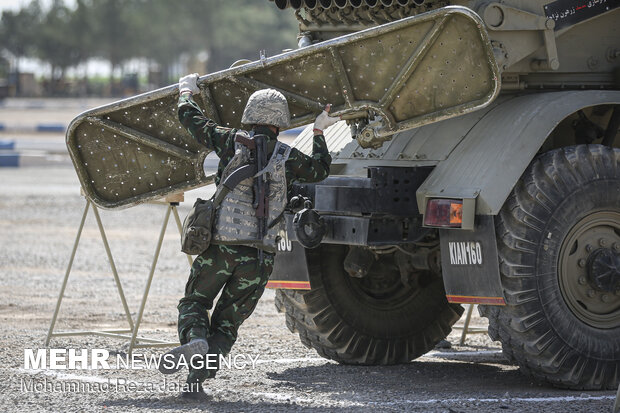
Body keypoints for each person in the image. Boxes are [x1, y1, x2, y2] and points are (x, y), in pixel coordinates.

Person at [159, 73, 339, 399]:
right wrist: (318, 130)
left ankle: (195, 339)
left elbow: (190, 118)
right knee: (227, 324)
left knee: (196, 302)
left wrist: (187, 90)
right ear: (280, 123)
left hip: (221, 249)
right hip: (259, 258)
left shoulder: (230, 141)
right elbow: (320, 169)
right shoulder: (288, 157)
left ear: (249, 115)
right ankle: (197, 377)